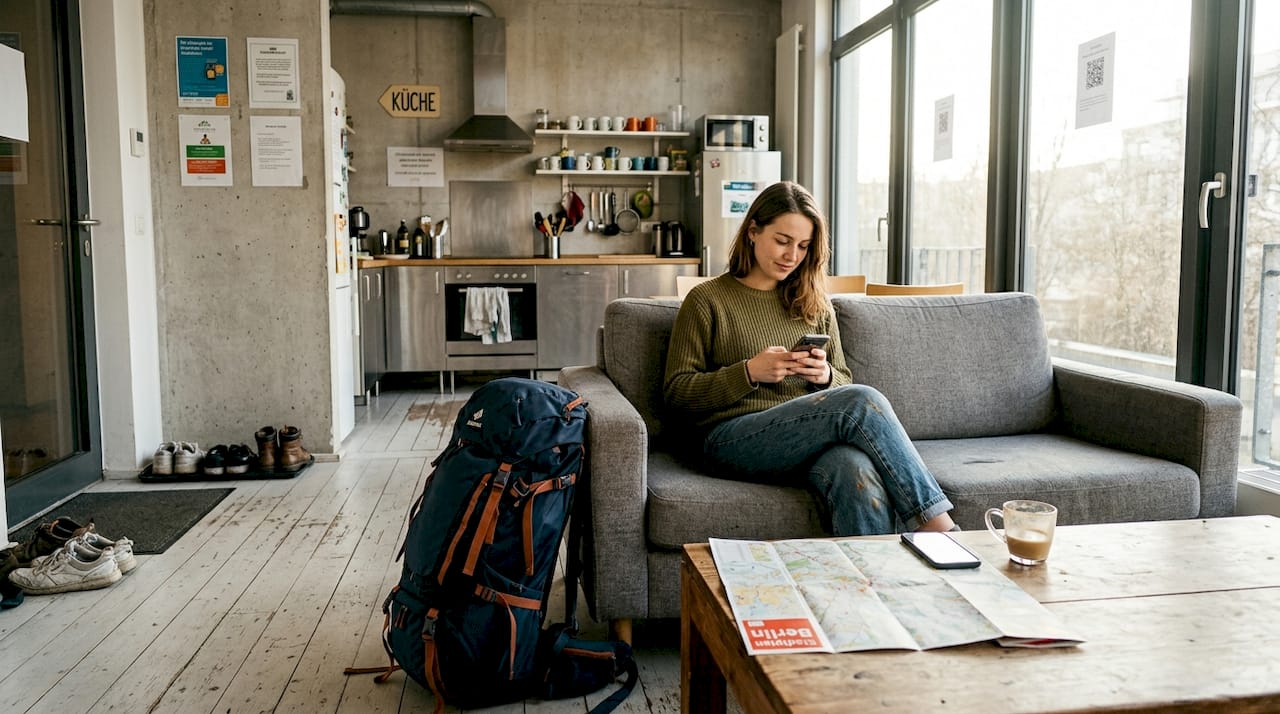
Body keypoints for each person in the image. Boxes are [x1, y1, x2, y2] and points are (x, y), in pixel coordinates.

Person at [663, 181, 957, 535]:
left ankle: (873, 584)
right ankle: (939, 528)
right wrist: (748, 372)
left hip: (805, 441)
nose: (792, 256)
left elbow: (843, 380)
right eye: (783, 241)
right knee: (863, 401)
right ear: (753, 231)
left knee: (854, 468)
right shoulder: (707, 300)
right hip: (731, 440)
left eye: (803, 246)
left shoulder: (813, 302)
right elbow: (676, 395)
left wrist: (825, 376)